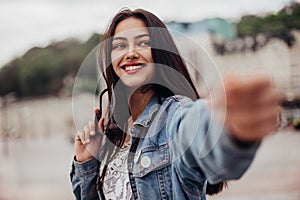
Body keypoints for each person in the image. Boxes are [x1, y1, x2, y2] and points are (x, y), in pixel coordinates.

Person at [70, 8, 282, 200]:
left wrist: (228, 127)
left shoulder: (174, 116)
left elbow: (196, 131)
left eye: (143, 43)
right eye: (119, 45)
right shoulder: (109, 132)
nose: (130, 53)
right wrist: (86, 161)